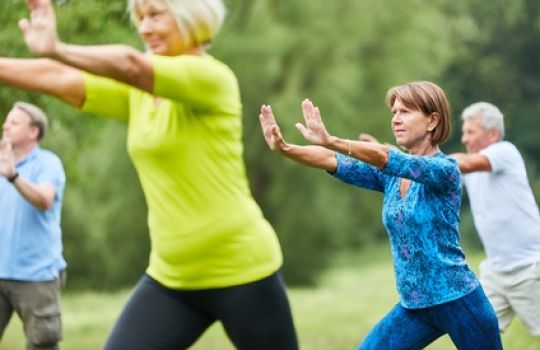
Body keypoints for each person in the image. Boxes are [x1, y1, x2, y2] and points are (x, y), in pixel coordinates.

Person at [0, 0, 299, 349]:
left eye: (156, 15)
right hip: (172, 276)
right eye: (141, 18)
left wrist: (56, 47)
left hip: (242, 269)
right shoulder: (139, 95)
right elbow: (59, 78)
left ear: (193, 18)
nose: (144, 28)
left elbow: (130, 65)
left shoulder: (212, 79)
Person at [259, 81, 503, 349]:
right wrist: (285, 148)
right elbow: (333, 160)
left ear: (433, 120)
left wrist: (332, 139)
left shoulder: (445, 170)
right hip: (414, 307)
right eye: (394, 113)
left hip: (459, 301)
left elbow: (388, 157)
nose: (396, 120)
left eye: (405, 112)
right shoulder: (390, 177)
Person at [452, 101, 540, 336]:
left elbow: (464, 163)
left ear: (492, 134)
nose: (464, 139)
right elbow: (439, 173)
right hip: (495, 273)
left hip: (530, 269)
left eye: (470, 132)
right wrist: (392, 157)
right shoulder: (468, 170)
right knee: (478, 333)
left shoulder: (504, 152)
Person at [0, 102, 67, 350]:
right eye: (6, 121)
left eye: (14, 123)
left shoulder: (48, 164)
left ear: (33, 131)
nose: (5, 126)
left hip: (36, 275)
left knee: (43, 344)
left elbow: (44, 200)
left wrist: (12, 176)